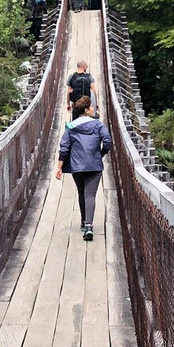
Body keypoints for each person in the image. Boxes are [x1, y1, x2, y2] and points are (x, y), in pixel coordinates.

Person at [55, 96, 112, 241]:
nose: (93, 109)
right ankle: (89, 226)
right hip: (94, 165)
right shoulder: (98, 125)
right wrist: (101, 154)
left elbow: (64, 147)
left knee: (82, 193)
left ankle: (83, 222)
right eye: (91, 107)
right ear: (86, 110)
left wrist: (59, 167)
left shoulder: (71, 127)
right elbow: (107, 142)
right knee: (90, 195)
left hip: (77, 166)